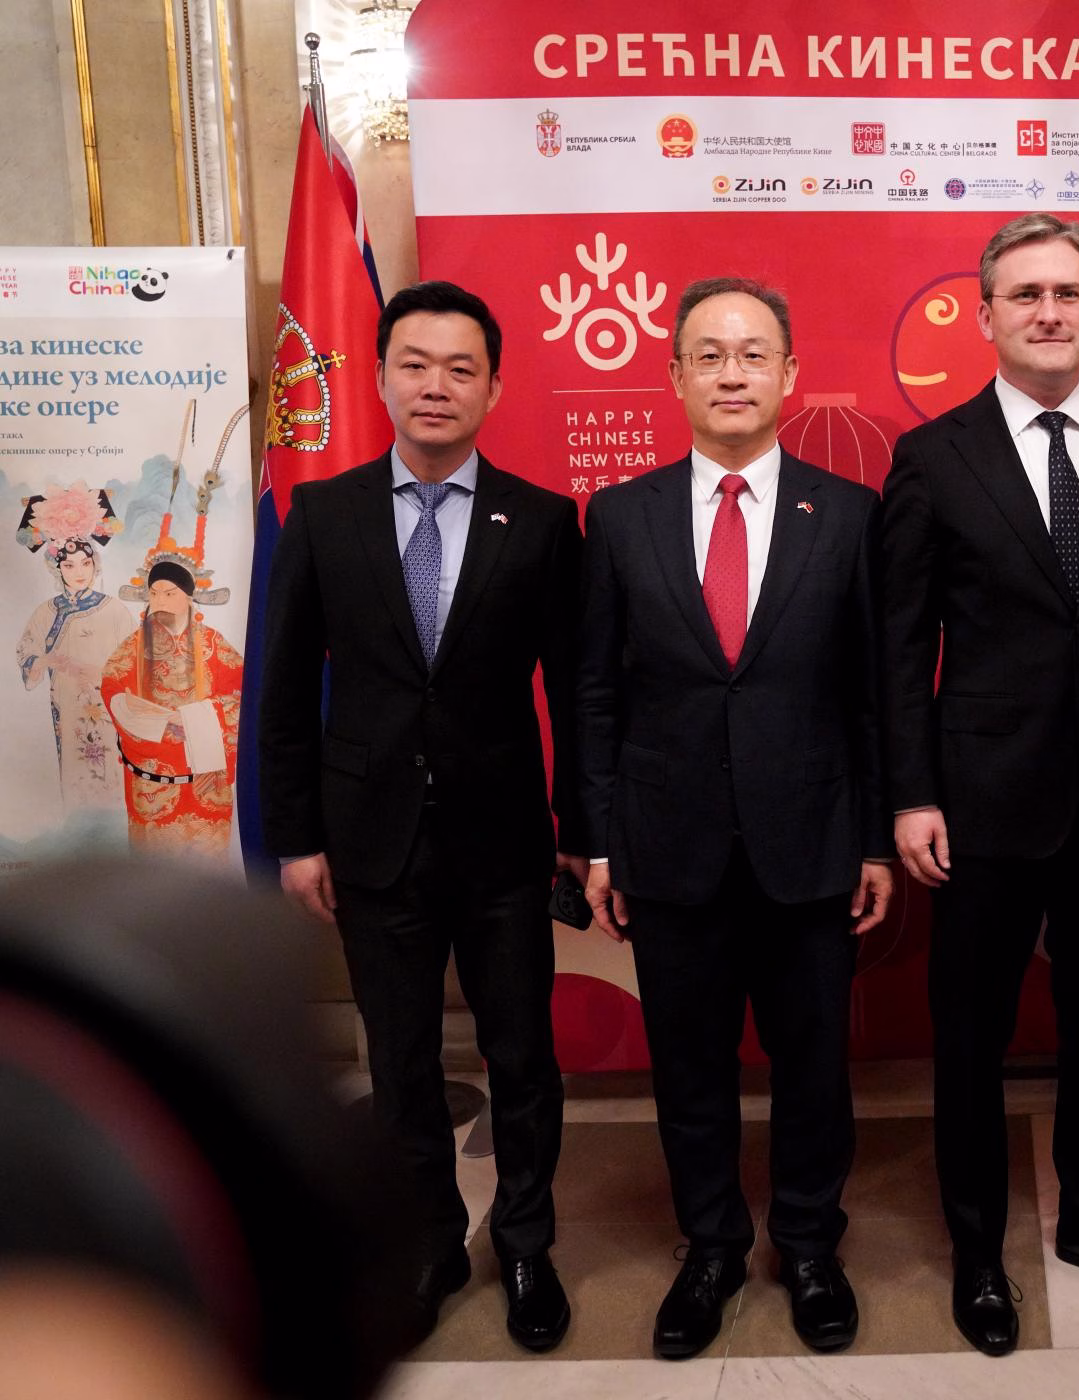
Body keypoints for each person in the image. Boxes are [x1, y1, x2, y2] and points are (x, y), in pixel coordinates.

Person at [881, 213, 1079, 1356]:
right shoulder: (933, 456)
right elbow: (899, 644)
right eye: (1026, 294)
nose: (1049, 311)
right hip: (979, 800)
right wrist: (911, 792)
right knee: (969, 1033)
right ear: (986, 315)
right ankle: (976, 1246)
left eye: (1068, 291)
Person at [259, 280, 581, 1352]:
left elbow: (576, 689)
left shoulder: (543, 521)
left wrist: (581, 829)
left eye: (460, 368)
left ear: (493, 387)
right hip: (369, 840)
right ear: (382, 376)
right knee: (399, 1064)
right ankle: (431, 1243)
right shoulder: (325, 514)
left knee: (521, 1056)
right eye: (415, 363)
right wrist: (297, 836)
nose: (436, 385)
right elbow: (284, 689)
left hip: (504, 843)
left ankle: (526, 1243)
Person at [577, 277, 890, 1360]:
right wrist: (600, 839)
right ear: (674, 376)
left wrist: (873, 836)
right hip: (668, 847)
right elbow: (596, 692)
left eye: (753, 353)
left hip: (811, 841)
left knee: (814, 1067)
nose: (731, 373)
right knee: (690, 1069)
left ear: (789, 374)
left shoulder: (847, 513)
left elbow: (871, 694)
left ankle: (808, 1245)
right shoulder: (619, 515)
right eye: (708, 354)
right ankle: (710, 1246)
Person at [102, 496, 244, 863]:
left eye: (169, 593)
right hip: (152, 777)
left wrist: (195, 718)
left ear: (189, 598)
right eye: (153, 593)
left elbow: (242, 695)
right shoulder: (132, 648)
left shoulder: (214, 645)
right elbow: (113, 691)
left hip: (205, 779)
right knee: (155, 876)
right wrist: (162, 722)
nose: (160, 600)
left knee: (206, 874)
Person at [15, 486, 129, 814]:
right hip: (66, 707)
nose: (79, 572)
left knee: (110, 774)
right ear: (57, 569)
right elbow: (26, 652)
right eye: (69, 566)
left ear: (95, 564)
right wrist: (47, 659)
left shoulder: (115, 610)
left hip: (107, 707)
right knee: (74, 778)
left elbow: (131, 661)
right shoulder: (46, 612)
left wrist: (101, 675)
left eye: (85, 563)